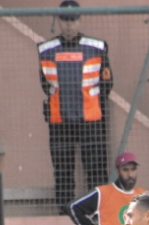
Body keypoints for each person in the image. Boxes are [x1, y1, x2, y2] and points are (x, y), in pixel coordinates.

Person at [38, 0, 113, 206]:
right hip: (59, 123)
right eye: (65, 20)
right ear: (59, 21)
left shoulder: (97, 48)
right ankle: (65, 214)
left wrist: (89, 105)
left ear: (79, 20)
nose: (69, 25)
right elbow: (45, 85)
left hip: (91, 121)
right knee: (63, 173)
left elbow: (107, 83)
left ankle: (99, 215)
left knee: (96, 171)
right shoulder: (46, 50)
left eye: (73, 20)